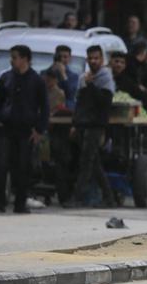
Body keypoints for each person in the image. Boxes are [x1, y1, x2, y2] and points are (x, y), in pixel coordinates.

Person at [0, 45, 48, 213]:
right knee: (1, 166)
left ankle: (20, 204)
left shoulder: (36, 81)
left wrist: (39, 129)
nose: (12, 60)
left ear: (25, 59)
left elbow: (44, 107)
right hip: (6, 128)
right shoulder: (6, 78)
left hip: (26, 130)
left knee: (23, 167)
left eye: (15, 57)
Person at [70, 45, 115, 207]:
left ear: (102, 60)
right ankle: (109, 197)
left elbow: (104, 103)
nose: (93, 61)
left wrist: (91, 86)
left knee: (87, 162)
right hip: (82, 124)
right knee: (93, 162)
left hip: (96, 125)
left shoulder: (105, 78)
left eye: (96, 58)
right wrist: (74, 124)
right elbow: (79, 103)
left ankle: (78, 197)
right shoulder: (83, 78)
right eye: (90, 58)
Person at [48, 45, 79, 110]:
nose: (62, 60)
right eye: (59, 57)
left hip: (66, 110)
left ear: (69, 58)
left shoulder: (74, 76)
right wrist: (51, 73)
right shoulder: (46, 72)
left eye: (65, 57)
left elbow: (70, 94)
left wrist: (63, 74)